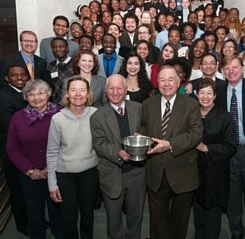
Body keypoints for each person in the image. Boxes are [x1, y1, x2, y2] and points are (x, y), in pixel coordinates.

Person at [139, 64, 203, 239]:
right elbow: (144, 126)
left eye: (170, 79)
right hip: (156, 171)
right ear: (157, 83)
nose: (166, 84)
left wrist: (169, 144)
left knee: (179, 221)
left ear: (179, 82)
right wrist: (142, 138)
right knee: (157, 220)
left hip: (183, 171)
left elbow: (196, 134)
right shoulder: (147, 104)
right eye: (162, 80)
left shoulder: (191, 104)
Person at [6, 79, 63, 239]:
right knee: (34, 211)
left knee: (57, 209)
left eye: (40, 93)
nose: (36, 97)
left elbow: (66, 144)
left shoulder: (60, 113)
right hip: (29, 174)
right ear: (26, 97)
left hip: (56, 170)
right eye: (31, 94)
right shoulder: (18, 117)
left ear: (48, 94)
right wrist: (30, 170)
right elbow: (11, 149)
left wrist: (49, 169)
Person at [91, 74, 145, 239]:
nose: (115, 92)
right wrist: (118, 152)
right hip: (111, 173)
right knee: (114, 220)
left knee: (135, 217)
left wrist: (141, 134)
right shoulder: (97, 116)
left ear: (126, 89)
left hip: (137, 173)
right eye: (111, 88)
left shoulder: (138, 108)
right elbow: (99, 144)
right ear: (106, 91)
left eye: (119, 88)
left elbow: (146, 127)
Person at [216, 56, 245, 239]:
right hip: (229, 152)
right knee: (232, 194)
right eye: (227, 68)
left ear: (242, 68)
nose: (231, 71)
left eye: (234, 67)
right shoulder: (218, 91)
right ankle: (236, 231)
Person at [47, 76, 98, 239]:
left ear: (88, 94)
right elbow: (52, 152)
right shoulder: (57, 119)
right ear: (67, 94)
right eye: (73, 90)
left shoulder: (95, 114)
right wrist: (52, 184)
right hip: (65, 175)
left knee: (88, 216)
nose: (78, 94)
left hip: (90, 172)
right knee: (68, 218)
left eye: (82, 90)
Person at [193, 78, 237, 239]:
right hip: (194, 169)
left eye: (209, 93)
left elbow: (231, 145)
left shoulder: (224, 116)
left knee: (212, 210)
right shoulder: (191, 113)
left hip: (215, 171)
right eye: (202, 93)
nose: (205, 96)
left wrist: (207, 148)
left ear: (215, 95)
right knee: (197, 206)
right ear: (196, 95)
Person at [0, 65, 29, 236]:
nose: (19, 78)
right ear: (6, 78)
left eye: (22, 75)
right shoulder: (3, 96)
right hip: (13, 151)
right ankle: (22, 224)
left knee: (29, 189)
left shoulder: (27, 92)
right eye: (14, 75)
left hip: (29, 150)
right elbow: (9, 125)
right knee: (17, 190)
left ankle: (30, 219)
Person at [47, 37, 74, 104]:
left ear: (67, 49)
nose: (58, 49)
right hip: (56, 104)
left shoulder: (76, 63)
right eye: (54, 47)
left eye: (61, 46)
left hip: (73, 102)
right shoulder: (50, 66)